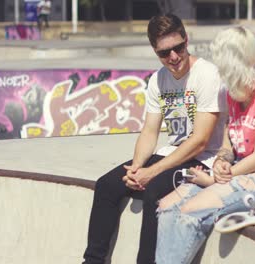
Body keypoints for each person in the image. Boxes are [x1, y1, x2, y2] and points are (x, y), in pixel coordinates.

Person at [82, 14, 227, 264]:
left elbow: (201, 140)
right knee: (106, 185)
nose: (173, 57)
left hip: (203, 159)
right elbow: (150, 131)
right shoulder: (158, 80)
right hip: (172, 154)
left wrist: (152, 173)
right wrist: (137, 167)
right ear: (155, 51)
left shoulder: (207, 75)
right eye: (164, 53)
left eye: (178, 48)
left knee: (153, 192)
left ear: (186, 40)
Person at [155, 26, 255, 264]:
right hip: (243, 168)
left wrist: (214, 179)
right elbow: (227, 145)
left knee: (192, 210)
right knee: (167, 206)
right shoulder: (232, 93)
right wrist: (222, 162)